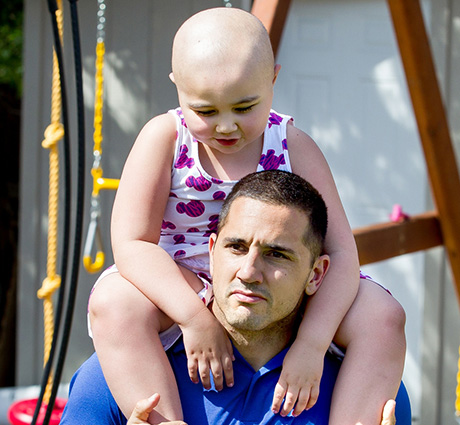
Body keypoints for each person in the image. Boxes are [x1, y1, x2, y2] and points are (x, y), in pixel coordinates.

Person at [88, 7, 407, 425]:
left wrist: (311, 344)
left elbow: (341, 253)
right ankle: (163, 420)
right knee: (112, 303)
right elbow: (132, 243)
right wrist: (193, 317)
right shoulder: (164, 138)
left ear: (273, 79)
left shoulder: (293, 144)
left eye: (244, 106)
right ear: (177, 87)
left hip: (276, 285)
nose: (226, 126)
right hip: (179, 279)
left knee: (383, 316)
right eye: (205, 110)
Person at [61, 170, 411, 425]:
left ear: (316, 274)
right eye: (236, 247)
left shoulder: (362, 383)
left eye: (277, 254)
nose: (248, 271)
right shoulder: (123, 369)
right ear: (211, 252)